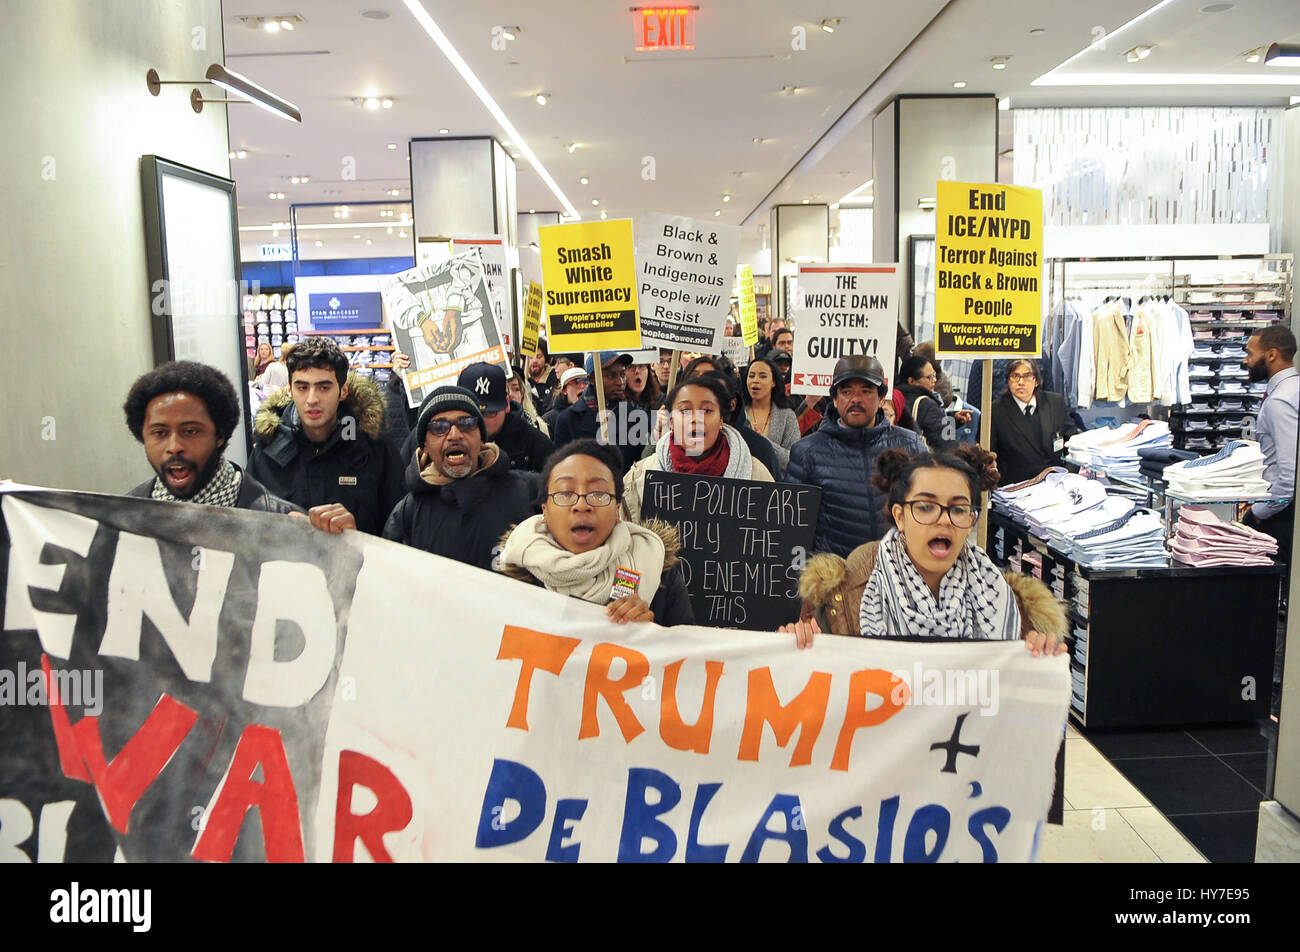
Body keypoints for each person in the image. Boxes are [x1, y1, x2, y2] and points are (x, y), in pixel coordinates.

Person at [780, 445, 1067, 656]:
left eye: (957, 508)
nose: (943, 519)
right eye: (926, 507)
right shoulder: (846, 594)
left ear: (971, 520)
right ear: (900, 516)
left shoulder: (1008, 605)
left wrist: (1039, 657)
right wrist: (797, 646)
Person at [497, 440, 695, 626]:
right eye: (566, 493)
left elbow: (687, 656)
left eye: (598, 494)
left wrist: (649, 635)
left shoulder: (659, 576)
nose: (582, 505)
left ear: (617, 509)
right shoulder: (514, 580)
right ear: (545, 510)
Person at [249, 336, 405, 536]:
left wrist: (356, 538)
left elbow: (399, 530)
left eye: (324, 387)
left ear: (343, 391)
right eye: (302, 387)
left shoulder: (374, 447)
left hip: (357, 565)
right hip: (287, 565)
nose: (312, 399)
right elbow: (249, 530)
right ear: (289, 390)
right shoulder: (268, 448)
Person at [382, 385, 536, 569]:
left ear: (481, 437)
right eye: (439, 427)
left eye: (467, 424)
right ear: (424, 445)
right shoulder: (407, 514)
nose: (454, 435)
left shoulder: (529, 492)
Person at [785, 355, 924, 557]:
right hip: (837, 579)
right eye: (846, 391)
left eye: (866, 392)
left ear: (881, 398)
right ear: (834, 399)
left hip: (898, 575)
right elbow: (794, 527)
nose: (855, 399)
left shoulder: (910, 445)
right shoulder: (807, 452)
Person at [123, 360, 296, 514]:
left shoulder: (277, 519)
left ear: (219, 434)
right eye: (160, 433)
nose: (174, 446)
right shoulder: (123, 520)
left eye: (190, 431)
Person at [622, 374, 774, 522]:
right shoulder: (638, 479)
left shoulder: (757, 475)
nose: (696, 418)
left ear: (721, 419)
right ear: (672, 421)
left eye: (707, 410)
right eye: (685, 410)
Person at [1240, 323, 1299, 555]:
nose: (1246, 361)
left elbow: (1290, 474)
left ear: (1271, 354)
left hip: (1280, 517)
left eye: (1250, 353)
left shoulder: (1279, 402)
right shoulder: (1293, 390)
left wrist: (1258, 513)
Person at [989, 358, 1078, 486]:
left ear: (1036, 381)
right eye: (1015, 376)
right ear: (1008, 381)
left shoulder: (1054, 403)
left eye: (1027, 376)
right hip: (1017, 489)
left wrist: (1068, 475)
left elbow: (1073, 442)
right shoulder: (995, 411)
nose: (1021, 382)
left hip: (1055, 484)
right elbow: (989, 457)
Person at [552, 351, 646, 472]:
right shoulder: (568, 420)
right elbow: (563, 469)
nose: (620, 382)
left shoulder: (635, 417)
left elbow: (641, 465)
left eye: (622, 374)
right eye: (611, 376)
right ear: (592, 379)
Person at [455, 361, 553, 473]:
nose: (481, 421)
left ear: (507, 404)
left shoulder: (537, 446)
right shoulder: (449, 442)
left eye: (490, 413)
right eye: (472, 415)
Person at [743, 357, 801, 472]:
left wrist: (764, 443)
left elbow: (794, 460)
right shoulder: (737, 413)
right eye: (751, 376)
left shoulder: (787, 416)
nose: (755, 380)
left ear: (773, 382)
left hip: (775, 486)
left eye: (763, 376)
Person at [896, 354, 957, 452]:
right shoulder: (927, 404)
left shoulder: (893, 400)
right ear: (911, 381)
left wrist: (952, 418)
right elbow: (946, 444)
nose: (934, 380)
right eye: (929, 377)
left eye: (934, 375)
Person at [508, 360, 549, 437]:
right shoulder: (491, 431)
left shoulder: (538, 426)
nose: (510, 394)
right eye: (505, 390)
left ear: (522, 394)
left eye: (516, 389)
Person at [544, 366, 588, 434]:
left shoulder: (596, 414)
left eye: (585, 382)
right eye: (576, 382)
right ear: (564, 390)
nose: (582, 386)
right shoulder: (550, 419)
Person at [525, 339, 555, 410]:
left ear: (545, 358)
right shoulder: (521, 380)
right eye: (531, 357)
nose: (534, 360)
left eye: (539, 357)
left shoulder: (555, 376)